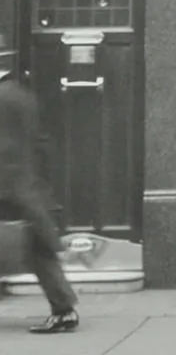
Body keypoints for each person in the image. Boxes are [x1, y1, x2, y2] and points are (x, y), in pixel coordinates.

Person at [0, 35, 79, 333]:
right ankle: (63, 308)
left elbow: (6, 148)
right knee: (38, 248)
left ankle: (63, 309)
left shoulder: (3, 97)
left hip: (11, 185)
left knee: (37, 248)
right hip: (23, 184)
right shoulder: (19, 94)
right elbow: (39, 142)